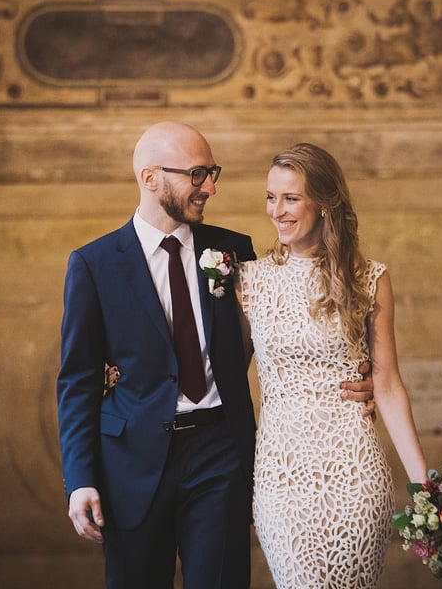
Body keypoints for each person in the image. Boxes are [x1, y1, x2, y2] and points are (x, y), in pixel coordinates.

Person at [56, 122, 375, 589]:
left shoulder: (234, 251)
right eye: (198, 174)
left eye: (212, 172)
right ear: (150, 178)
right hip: (132, 461)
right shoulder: (94, 264)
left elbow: (289, 331)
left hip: (221, 454)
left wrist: (351, 377)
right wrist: (79, 478)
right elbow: (77, 381)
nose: (211, 187)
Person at [236, 142, 429, 588]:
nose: (276, 211)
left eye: (290, 198)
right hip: (281, 478)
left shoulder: (370, 279)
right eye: (270, 197)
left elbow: (388, 385)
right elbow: (220, 373)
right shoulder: (249, 281)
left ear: (324, 203)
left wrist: (424, 485)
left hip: (354, 473)